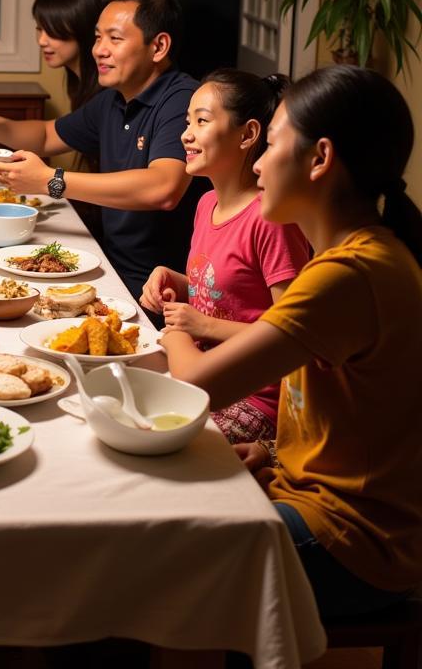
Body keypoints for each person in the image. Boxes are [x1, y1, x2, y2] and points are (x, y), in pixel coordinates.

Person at [162, 65, 422, 617]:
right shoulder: (346, 261)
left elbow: (191, 382)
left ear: (319, 158)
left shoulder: (347, 276)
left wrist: (175, 325)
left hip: (356, 541)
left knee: (154, 557)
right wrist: (277, 452)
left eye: (271, 143)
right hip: (307, 495)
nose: (257, 165)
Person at [0, 0, 204, 303]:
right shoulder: (113, 100)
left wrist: (52, 181)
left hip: (158, 288)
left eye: (115, 38)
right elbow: (47, 135)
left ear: (158, 47)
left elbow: (164, 188)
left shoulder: (182, 100)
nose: (99, 49)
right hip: (110, 266)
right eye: (98, 37)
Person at [139, 69, 311, 443]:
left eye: (201, 121)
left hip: (255, 396)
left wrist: (200, 327)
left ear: (248, 135)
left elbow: (290, 338)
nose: (186, 134)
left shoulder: (271, 220)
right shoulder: (206, 203)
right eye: (187, 121)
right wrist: (176, 282)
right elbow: (223, 293)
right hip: (203, 370)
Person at [32, 0, 106, 110]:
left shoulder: (107, 91)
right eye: (39, 29)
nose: (42, 41)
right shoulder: (81, 82)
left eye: (51, 31)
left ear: (83, 28)